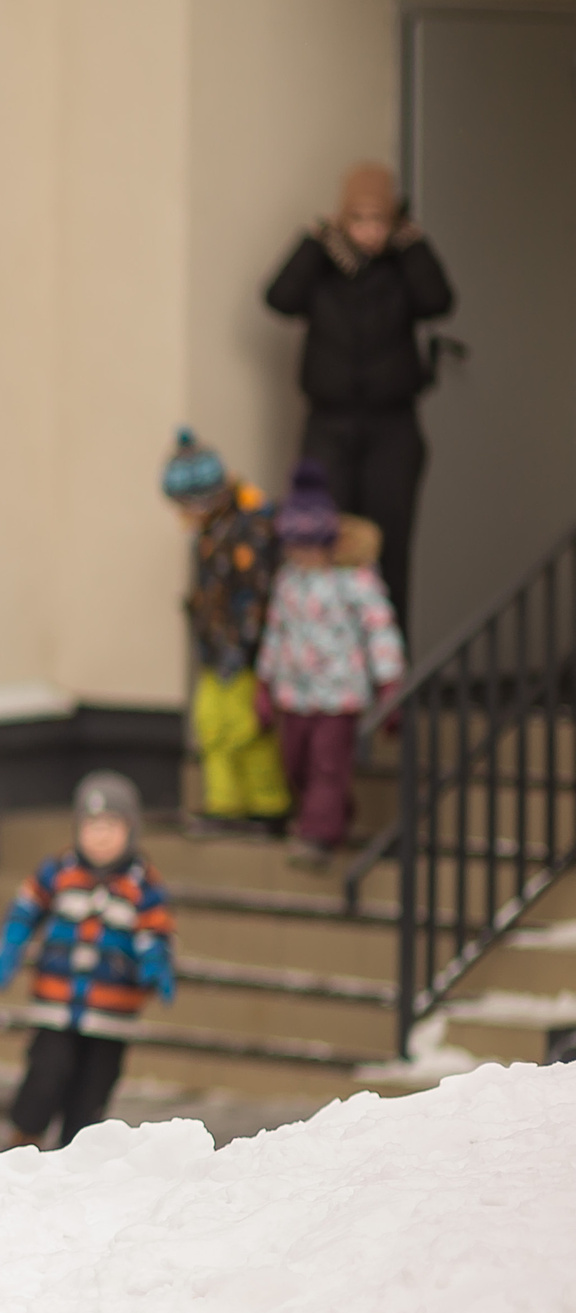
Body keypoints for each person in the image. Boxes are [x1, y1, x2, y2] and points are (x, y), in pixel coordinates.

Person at [263, 161, 455, 638]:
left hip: (392, 427)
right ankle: (325, 669)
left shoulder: (402, 266)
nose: (369, 233)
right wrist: (312, 242)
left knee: (388, 548)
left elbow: (439, 301)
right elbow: (279, 299)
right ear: (342, 219)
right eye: (359, 220)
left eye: (379, 221)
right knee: (320, 541)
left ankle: (389, 677)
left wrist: (410, 245)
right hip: (328, 426)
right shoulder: (322, 265)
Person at [0, 771, 176, 1151]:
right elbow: (26, 909)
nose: (101, 837)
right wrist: (11, 948)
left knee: (92, 1091)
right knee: (46, 1073)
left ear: (131, 831)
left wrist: (156, 966)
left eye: (111, 827)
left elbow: (154, 932)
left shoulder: (142, 886)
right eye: (91, 827)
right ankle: (23, 1141)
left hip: (111, 1012)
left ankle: (72, 1155)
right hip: (56, 1005)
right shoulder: (59, 871)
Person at [257, 469, 407, 868]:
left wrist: (390, 684)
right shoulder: (289, 582)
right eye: (294, 546)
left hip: (339, 696)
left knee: (327, 762)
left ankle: (319, 834)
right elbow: (276, 631)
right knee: (296, 764)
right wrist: (264, 682)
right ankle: (329, 813)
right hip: (295, 694)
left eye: (309, 546)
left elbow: (380, 631)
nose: (301, 555)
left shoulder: (355, 582)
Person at [164, 428, 290, 830]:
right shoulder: (208, 532)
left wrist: (248, 647)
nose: (187, 515)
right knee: (211, 724)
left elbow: (258, 595)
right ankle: (223, 803)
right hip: (213, 650)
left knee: (247, 729)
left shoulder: (253, 525)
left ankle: (267, 806)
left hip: (246, 653)